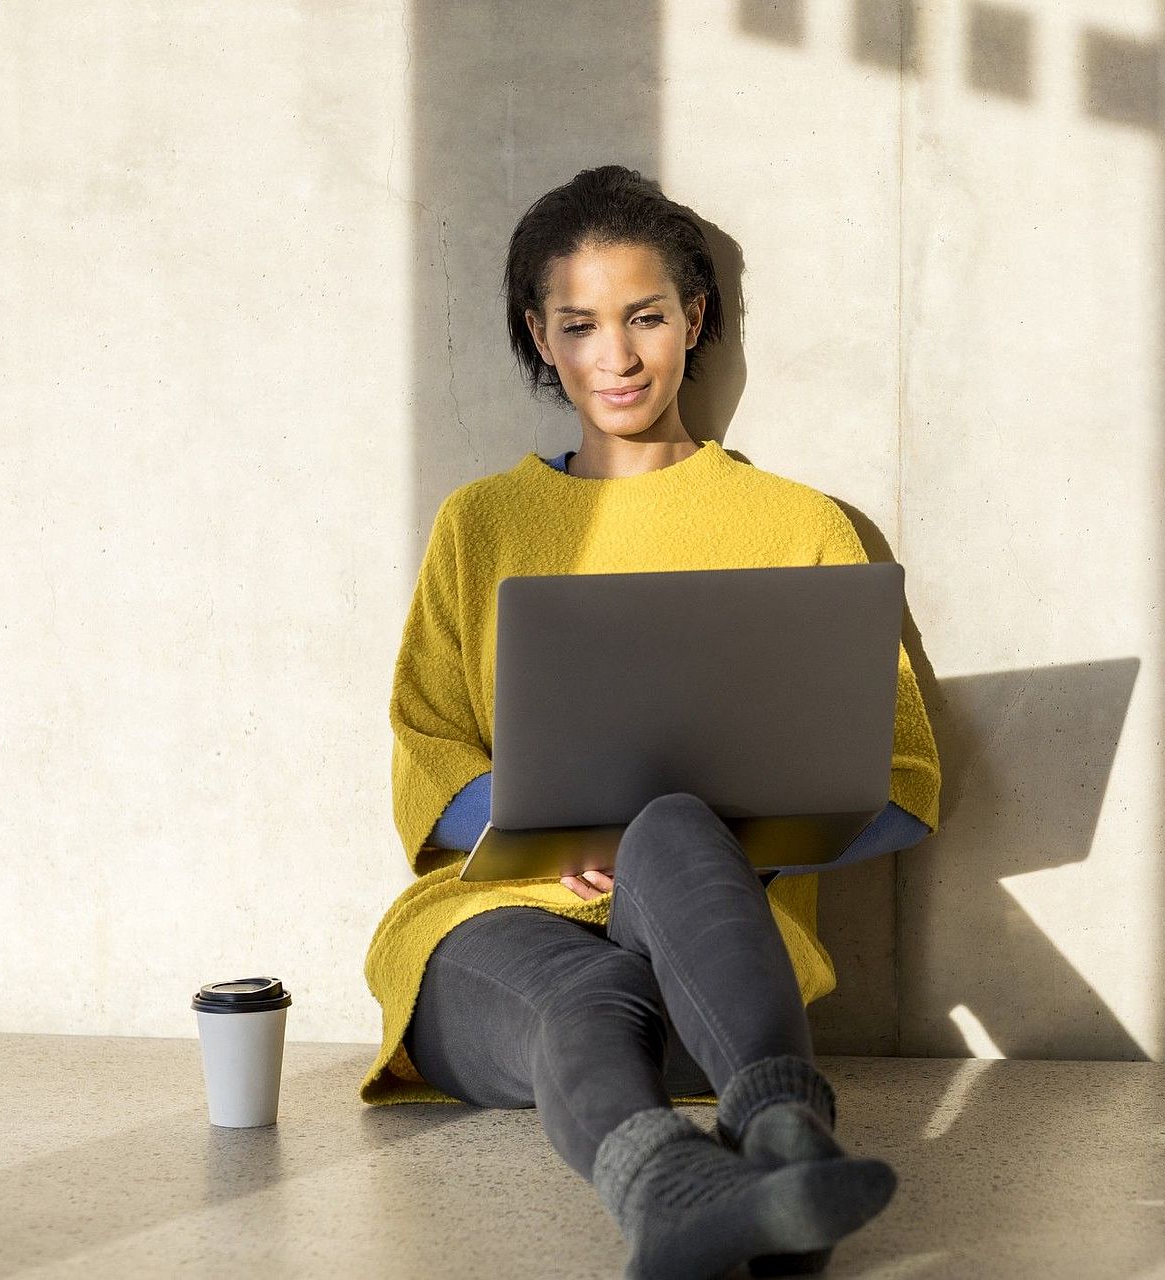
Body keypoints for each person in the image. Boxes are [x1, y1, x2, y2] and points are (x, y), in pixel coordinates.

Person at [356, 165, 944, 1279]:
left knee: (675, 820)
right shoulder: (482, 521)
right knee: (585, 988)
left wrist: (709, 851)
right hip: (488, 931)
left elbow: (901, 772)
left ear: (694, 318)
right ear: (540, 332)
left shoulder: (798, 524)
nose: (616, 358)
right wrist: (557, 827)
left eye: (645, 318)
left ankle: (776, 1136)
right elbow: (428, 738)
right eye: (578, 326)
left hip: (707, 968)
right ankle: (697, 1187)